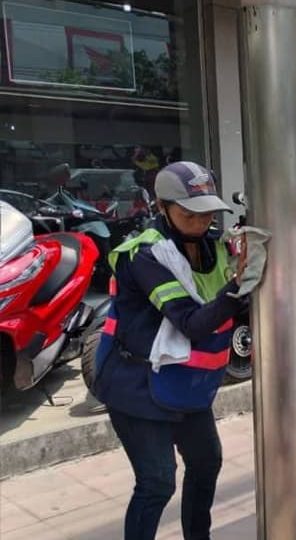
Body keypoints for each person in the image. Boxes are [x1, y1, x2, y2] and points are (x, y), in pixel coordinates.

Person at [91, 161, 250, 539]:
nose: (202, 221)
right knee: (157, 483)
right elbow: (192, 323)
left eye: (208, 211)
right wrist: (238, 287)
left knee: (206, 462)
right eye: (189, 213)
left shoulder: (216, 246)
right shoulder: (144, 255)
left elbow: (233, 307)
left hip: (185, 382)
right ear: (162, 208)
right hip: (135, 384)